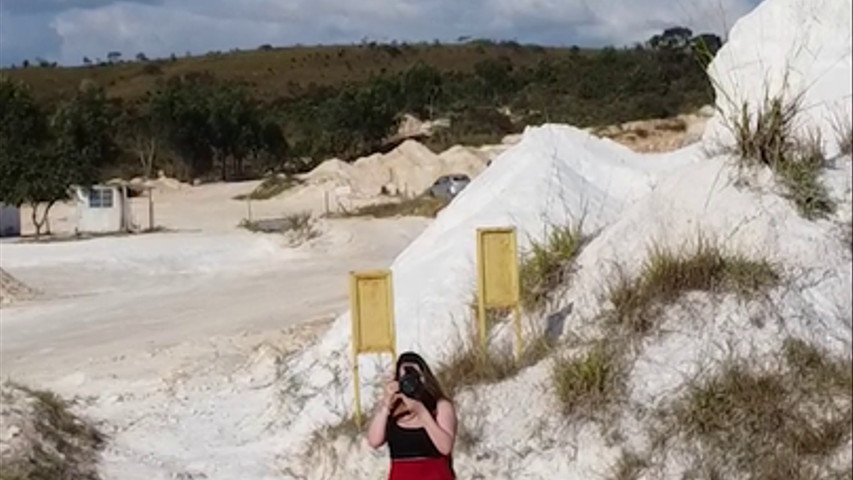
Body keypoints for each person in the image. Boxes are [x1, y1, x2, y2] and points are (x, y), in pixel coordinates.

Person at [366, 351, 457, 480]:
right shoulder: (395, 409)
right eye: (404, 376)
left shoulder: (439, 406)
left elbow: (445, 447)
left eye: (414, 375)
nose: (410, 381)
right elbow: (374, 441)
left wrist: (422, 413)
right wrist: (386, 404)